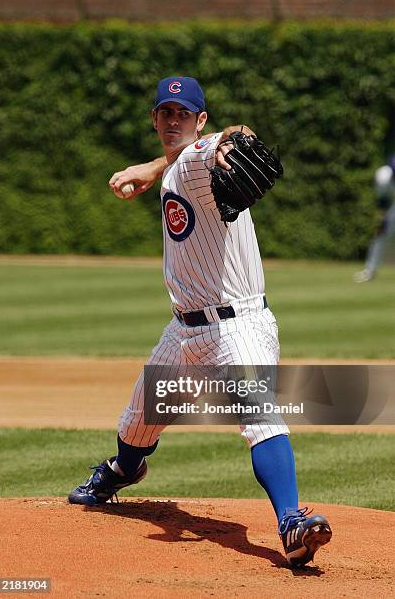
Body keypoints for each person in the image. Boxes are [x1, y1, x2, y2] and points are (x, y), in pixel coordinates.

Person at [68, 76, 332, 567]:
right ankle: (122, 471)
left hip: (239, 327)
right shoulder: (173, 167)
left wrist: (233, 142)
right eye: (165, 113)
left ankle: (292, 523)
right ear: (155, 119)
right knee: (136, 427)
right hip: (183, 331)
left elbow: (227, 140)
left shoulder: (200, 158)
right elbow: (180, 155)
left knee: (260, 418)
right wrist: (150, 169)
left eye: (183, 114)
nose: (173, 121)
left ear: (200, 121)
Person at [354, 156, 395, 283]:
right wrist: (381, 216)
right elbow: (383, 200)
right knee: (381, 234)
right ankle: (370, 270)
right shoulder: (384, 176)